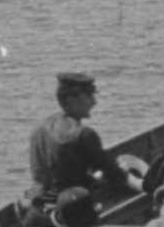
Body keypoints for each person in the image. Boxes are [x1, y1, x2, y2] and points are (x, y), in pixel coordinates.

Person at [26, 72, 144, 211]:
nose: (94, 102)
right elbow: (115, 175)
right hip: (70, 207)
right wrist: (146, 185)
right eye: (89, 96)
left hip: (39, 203)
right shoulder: (83, 135)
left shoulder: (38, 129)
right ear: (72, 100)